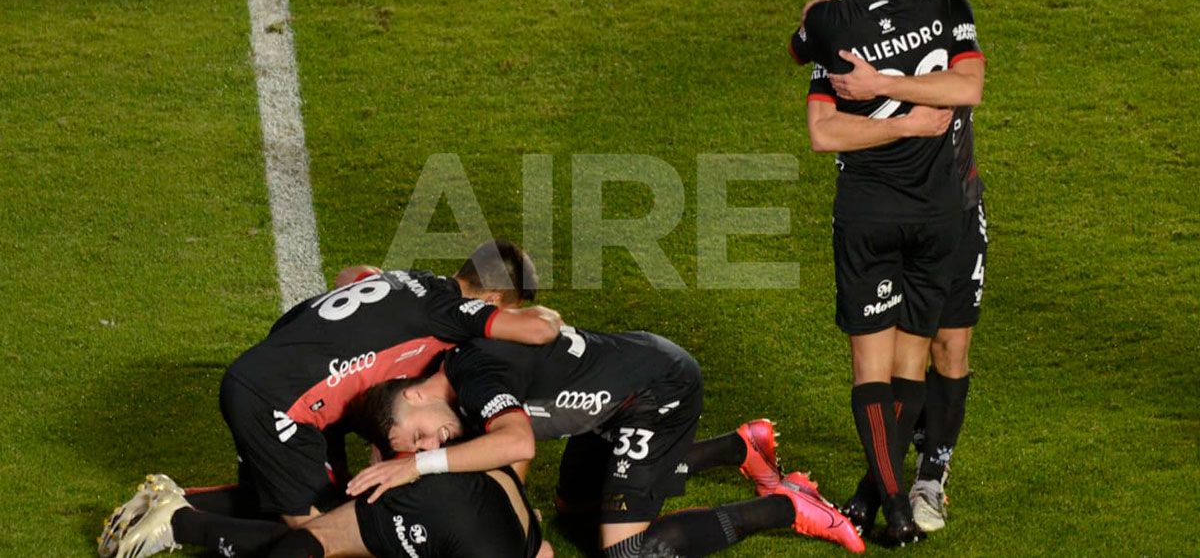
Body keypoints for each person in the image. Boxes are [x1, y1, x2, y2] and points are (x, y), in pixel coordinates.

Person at [100, 240, 561, 558]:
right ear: (496, 299)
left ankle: (169, 500)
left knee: (330, 499)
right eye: (507, 311)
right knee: (320, 536)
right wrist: (548, 317)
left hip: (268, 380)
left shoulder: (409, 280)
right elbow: (539, 329)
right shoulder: (451, 309)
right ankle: (175, 524)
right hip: (282, 404)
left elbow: (350, 276)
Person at [791, 0, 985, 545]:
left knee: (877, 369)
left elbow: (808, 73)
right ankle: (887, 491)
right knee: (909, 363)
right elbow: (959, 83)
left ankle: (895, 498)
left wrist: (879, 87)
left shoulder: (827, 22)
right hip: (935, 215)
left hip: (878, 215)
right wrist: (907, 115)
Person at [346, 329, 867, 556]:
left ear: (414, 394)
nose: (428, 443)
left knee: (628, 554)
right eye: (415, 447)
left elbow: (517, 445)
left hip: (655, 393)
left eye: (418, 434)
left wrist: (419, 467)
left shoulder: (475, 377)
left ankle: (786, 503)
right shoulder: (451, 394)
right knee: (575, 512)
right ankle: (741, 447)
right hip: (614, 398)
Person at [856, 0, 988, 534]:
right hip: (886, 212)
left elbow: (968, 87)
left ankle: (931, 474)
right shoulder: (851, 25)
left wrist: (883, 85)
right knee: (889, 359)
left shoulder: (948, 8)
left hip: (955, 210)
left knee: (947, 345)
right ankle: (880, 480)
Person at [111, 467, 552, 558]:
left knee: (320, 533)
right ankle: (180, 520)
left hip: (454, 479)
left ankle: (181, 514)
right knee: (322, 538)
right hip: (445, 510)